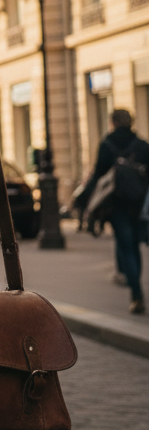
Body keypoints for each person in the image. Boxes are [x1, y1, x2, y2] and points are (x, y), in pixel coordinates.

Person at [90, 108, 149, 314]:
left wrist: (85, 203)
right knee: (134, 247)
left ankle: (136, 293)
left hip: (117, 207)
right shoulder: (142, 145)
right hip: (140, 207)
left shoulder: (107, 145)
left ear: (113, 122)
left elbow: (99, 176)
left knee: (126, 247)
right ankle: (134, 285)